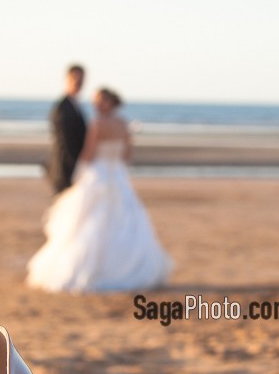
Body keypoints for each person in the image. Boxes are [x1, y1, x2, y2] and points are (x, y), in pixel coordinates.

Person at [27, 88, 172, 292]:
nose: (97, 104)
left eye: (101, 100)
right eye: (96, 100)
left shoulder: (97, 123)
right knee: (123, 221)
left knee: (89, 221)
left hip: (99, 174)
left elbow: (88, 154)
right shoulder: (123, 123)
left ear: (111, 102)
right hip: (117, 175)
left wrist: (79, 175)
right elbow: (127, 155)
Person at [47, 64, 86, 193]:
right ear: (67, 79)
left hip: (74, 168)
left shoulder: (76, 105)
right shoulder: (62, 107)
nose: (78, 83)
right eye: (75, 78)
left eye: (81, 80)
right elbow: (65, 142)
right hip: (65, 170)